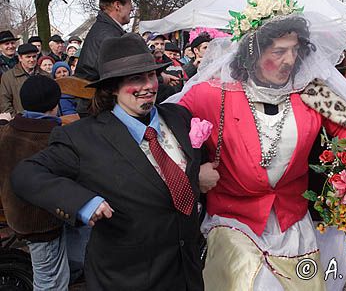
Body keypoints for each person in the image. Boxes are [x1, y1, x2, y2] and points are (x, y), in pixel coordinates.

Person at [170, 0, 346, 290]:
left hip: (292, 222)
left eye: (294, 50)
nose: (289, 60)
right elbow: (163, 131)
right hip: (234, 220)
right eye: (279, 51)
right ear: (253, 52)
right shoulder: (212, 94)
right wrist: (195, 172)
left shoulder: (312, 92)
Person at [12, 33, 204, 290]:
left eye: (151, 75)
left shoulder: (179, 117)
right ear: (112, 87)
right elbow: (26, 173)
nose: (148, 85)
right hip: (126, 278)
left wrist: (200, 171)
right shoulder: (83, 137)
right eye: (136, 78)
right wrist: (82, 203)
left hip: (186, 273)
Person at [0, 75, 70, 290]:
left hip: (16, 213)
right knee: (49, 281)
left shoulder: (7, 130)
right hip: (41, 222)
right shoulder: (54, 137)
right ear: (55, 105)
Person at [74, 0, 138, 117]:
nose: (132, 8)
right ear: (117, 5)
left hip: (94, 104)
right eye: (130, 3)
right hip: (98, 108)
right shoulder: (109, 35)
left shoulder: (105, 29)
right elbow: (124, 73)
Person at [0, 43, 48, 116]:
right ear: (20, 58)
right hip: (18, 121)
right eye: (28, 57)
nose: (32, 60)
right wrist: (16, 119)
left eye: (34, 56)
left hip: (42, 120)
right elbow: (5, 102)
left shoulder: (46, 76)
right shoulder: (8, 77)